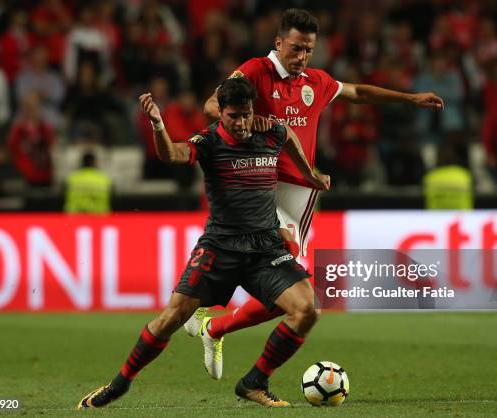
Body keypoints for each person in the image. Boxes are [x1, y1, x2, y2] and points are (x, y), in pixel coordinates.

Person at [185, 8, 445, 379]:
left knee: (288, 288)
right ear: (278, 43)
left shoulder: (315, 82)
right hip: (255, 183)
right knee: (285, 281)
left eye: (308, 49)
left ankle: (214, 327)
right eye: (295, 48)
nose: (301, 56)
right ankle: (211, 317)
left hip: (298, 195)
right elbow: (213, 104)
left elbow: (356, 91)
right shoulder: (256, 71)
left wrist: (409, 98)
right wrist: (246, 121)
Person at [78, 77, 330, 409]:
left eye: (246, 114)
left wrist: (309, 174)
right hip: (219, 248)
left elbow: (290, 137)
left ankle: (254, 382)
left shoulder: (270, 131)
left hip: (264, 249)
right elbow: (172, 154)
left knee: (308, 309)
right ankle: (119, 384)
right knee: (171, 318)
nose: (241, 124)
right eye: (233, 117)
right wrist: (158, 125)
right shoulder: (210, 141)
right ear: (219, 114)